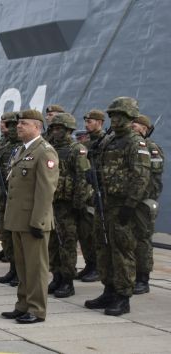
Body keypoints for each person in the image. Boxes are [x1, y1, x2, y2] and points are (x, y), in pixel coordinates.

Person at [84, 97, 151, 316]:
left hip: (123, 206)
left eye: (119, 115)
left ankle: (123, 297)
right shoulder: (108, 141)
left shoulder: (135, 142)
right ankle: (109, 290)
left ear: (130, 117)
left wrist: (130, 206)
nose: (114, 119)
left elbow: (141, 177)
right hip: (105, 204)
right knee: (103, 248)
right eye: (112, 115)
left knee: (122, 250)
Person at [1, 109, 59, 324]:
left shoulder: (45, 152)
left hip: (33, 221)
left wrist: (39, 221)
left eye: (24, 123)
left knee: (36, 268)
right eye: (18, 124)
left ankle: (36, 309)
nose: (19, 126)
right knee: (22, 267)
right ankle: (23, 304)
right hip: (18, 220)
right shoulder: (21, 150)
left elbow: (45, 191)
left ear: (37, 127)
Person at [46, 113, 92, 298]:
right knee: (52, 243)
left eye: (60, 129)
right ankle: (56, 275)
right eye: (54, 128)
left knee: (67, 243)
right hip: (52, 203)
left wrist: (79, 204)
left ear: (69, 130)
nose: (56, 132)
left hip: (68, 205)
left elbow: (83, 178)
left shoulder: (76, 150)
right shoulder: (49, 148)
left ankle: (67, 280)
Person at [131, 114, 164, 295]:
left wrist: (142, 196)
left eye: (136, 125)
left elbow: (155, 179)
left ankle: (143, 279)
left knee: (142, 240)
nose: (133, 127)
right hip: (128, 201)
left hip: (143, 202)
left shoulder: (152, 149)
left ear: (145, 128)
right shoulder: (129, 146)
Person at [76, 109, 107, 282]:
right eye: (86, 121)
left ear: (100, 123)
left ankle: (98, 268)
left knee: (97, 235)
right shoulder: (86, 145)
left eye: (90, 121)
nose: (87, 124)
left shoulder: (106, 142)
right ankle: (90, 265)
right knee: (85, 233)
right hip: (85, 194)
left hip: (98, 196)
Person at [0, 112, 22, 286]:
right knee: (5, 232)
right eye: (8, 125)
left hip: (16, 196)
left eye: (14, 125)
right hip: (2, 195)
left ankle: (19, 271)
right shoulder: (5, 146)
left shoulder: (23, 147)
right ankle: (12, 268)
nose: (11, 129)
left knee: (16, 235)